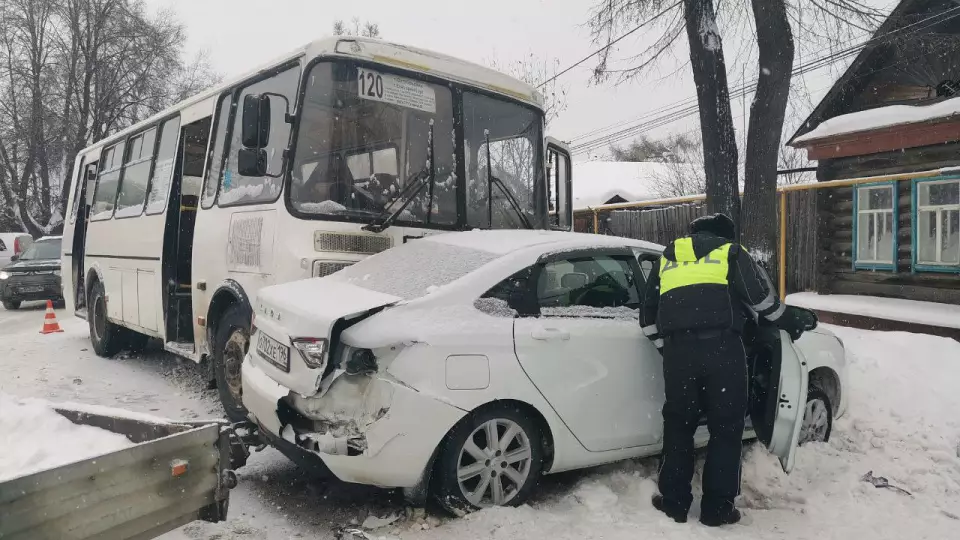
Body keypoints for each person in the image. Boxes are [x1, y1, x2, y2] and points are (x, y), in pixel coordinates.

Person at [640, 213, 802, 527]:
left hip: (678, 354)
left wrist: (669, 349)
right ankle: (717, 508)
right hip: (722, 350)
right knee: (726, 429)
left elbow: (647, 319)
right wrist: (791, 318)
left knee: (679, 425)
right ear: (725, 235)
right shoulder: (730, 253)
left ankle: (673, 503)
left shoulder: (667, 257)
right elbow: (762, 302)